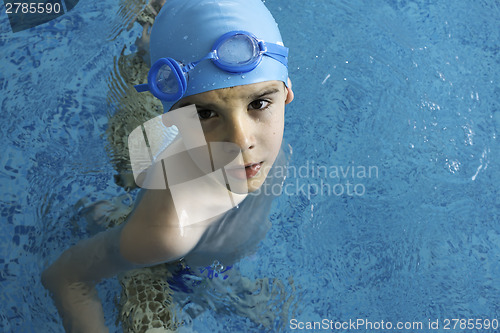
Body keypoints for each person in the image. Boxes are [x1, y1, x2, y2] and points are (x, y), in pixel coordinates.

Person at [41, 0, 294, 332]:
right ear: (174, 120)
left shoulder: (266, 148)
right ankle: (110, 216)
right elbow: (66, 277)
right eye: (205, 113)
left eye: (258, 103)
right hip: (151, 242)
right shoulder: (168, 231)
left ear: (287, 92)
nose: (240, 142)